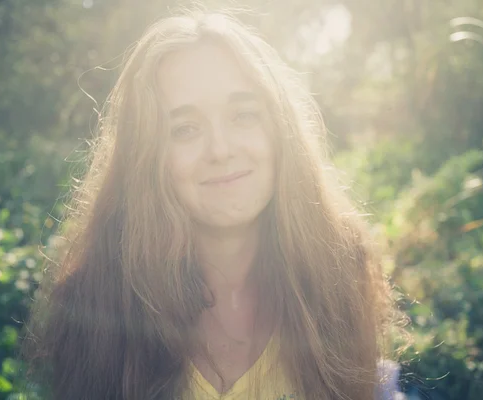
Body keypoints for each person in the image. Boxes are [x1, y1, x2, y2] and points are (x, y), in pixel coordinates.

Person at [22, 9, 403, 400]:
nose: (221, 150)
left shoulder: (339, 270)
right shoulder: (96, 299)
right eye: (185, 129)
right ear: (146, 157)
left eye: (243, 115)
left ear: (279, 129)